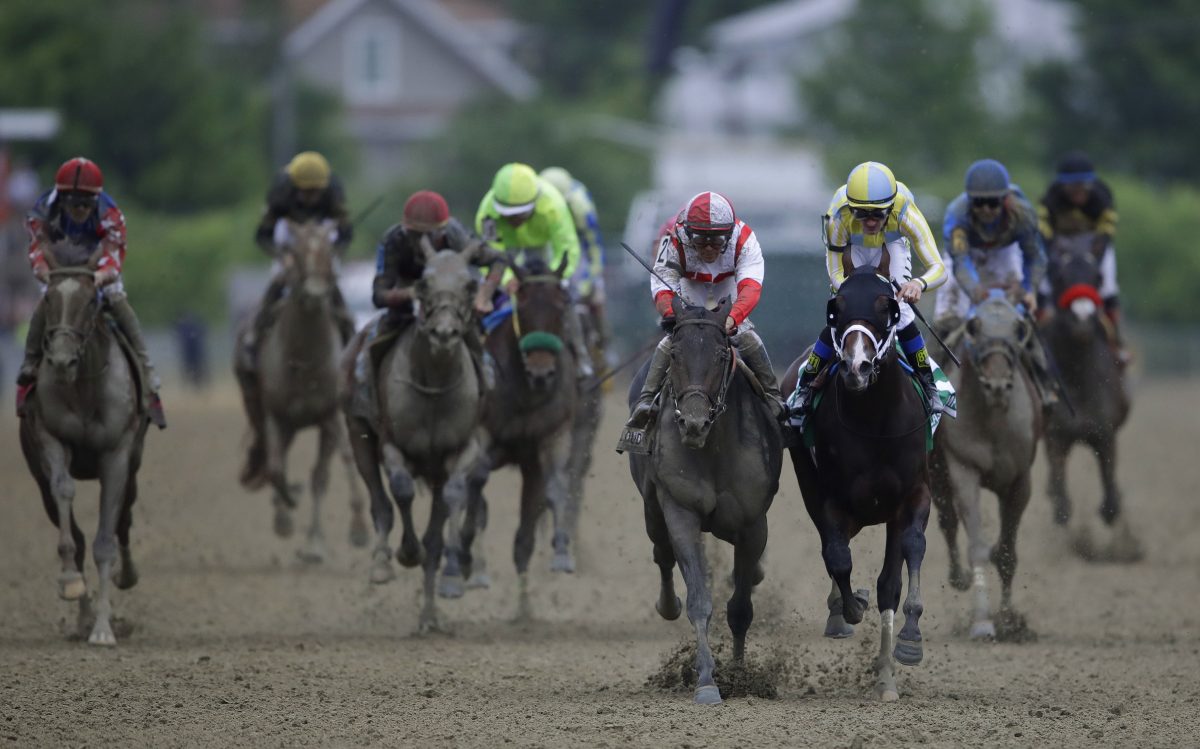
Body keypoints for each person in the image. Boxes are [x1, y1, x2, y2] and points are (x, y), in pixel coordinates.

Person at [786, 161, 947, 430]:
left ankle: (928, 385)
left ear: (890, 208)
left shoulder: (906, 214)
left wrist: (918, 284)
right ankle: (805, 387)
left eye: (877, 214)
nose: (870, 222)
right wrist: (855, 293)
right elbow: (836, 272)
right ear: (850, 209)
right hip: (853, 248)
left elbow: (939, 268)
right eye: (861, 214)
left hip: (892, 245)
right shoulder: (838, 218)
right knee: (844, 312)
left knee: (902, 313)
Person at [16, 156, 166, 427]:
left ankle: (147, 373)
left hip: (96, 263)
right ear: (62, 199)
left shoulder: (111, 215)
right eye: (75, 204)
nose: (82, 209)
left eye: (88, 203)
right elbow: (37, 248)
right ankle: (29, 367)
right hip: (58, 262)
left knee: (116, 299)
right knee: (48, 301)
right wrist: (44, 271)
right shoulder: (41, 210)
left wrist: (101, 275)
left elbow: (114, 254)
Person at [625, 190, 785, 428]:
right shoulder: (673, 237)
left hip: (728, 285)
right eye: (700, 240)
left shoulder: (745, 239)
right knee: (676, 337)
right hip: (689, 284)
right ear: (688, 233)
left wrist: (732, 319)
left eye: (717, 241)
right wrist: (677, 318)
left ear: (729, 235)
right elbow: (662, 286)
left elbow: (750, 288)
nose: (708, 248)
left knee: (744, 333)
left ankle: (773, 398)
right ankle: (646, 400)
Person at [348, 190, 504, 415]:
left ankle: (487, 394)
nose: (420, 243)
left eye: (429, 236)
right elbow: (379, 295)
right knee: (376, 340)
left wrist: (483, 295)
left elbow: (499, 260)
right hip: (409, 295)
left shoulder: (457, 236)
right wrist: (410, 293)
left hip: (450, 299)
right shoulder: (393, 240)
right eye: (413, 235)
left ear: (442, 231)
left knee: (476, 337)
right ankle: (366, 396)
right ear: (405, 230)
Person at [936, 159, 1057, 404]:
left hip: (1005, 253)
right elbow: (961, 262)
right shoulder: (956, 215)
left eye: (993, 203)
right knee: (946, 320)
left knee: (1020, 316)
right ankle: (928, 383)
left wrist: (1029, 290)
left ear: (1005, 200)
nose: (986, 210)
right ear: (970, 201)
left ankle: (1045, 383)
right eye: (979, 202)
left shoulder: (1023, 215)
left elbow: (1035, 257)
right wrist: (977, 292)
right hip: (965, 256)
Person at [475, 162, 593, 379]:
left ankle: (580, 355)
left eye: (519, 215)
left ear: (534, 205)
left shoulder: (553, 205)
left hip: (544, 246)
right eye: (508, 215)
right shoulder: (487, 213)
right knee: (485, 300)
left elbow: (567, 249)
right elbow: (489, 254)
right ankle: (481, 359)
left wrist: (553, 280)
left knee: (563, 299)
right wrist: (507, 280)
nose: (514, 221)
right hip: (507, 249)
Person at [242, 151, 355, 369]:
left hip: (321, 235)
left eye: (316, 192)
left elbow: (346, 234)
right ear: (295, 187)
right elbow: (263, 236)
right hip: (289, 233)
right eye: (306, 192)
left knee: (331, 283)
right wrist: (283, 257)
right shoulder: (280, 192)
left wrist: (331, 254)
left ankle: (348, 333)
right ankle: (254, 335)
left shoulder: (334, 192)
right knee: (278, 279)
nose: (312, 197)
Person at [1037, 151, 1128, 362]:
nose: (1078, 192)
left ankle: (1117, 344)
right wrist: (1055, 261)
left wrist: (1094, 259)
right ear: (1063, 186)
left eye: (1083, 186)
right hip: (1060, 249)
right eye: (1072, 187)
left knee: (1109, 289)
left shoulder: (1103, 198)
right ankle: (1034, 342)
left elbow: (1106, 232)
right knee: (1043, 288)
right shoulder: (1050, 200)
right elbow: (1044, 233)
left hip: (1094, 248)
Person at [538, 166, 611, 356]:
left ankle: (602, 347)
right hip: (554, 246)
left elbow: (594, 247)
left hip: (580, 250)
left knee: (595, 296)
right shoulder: (538, 204)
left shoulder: (581, 207)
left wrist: (588, 282)